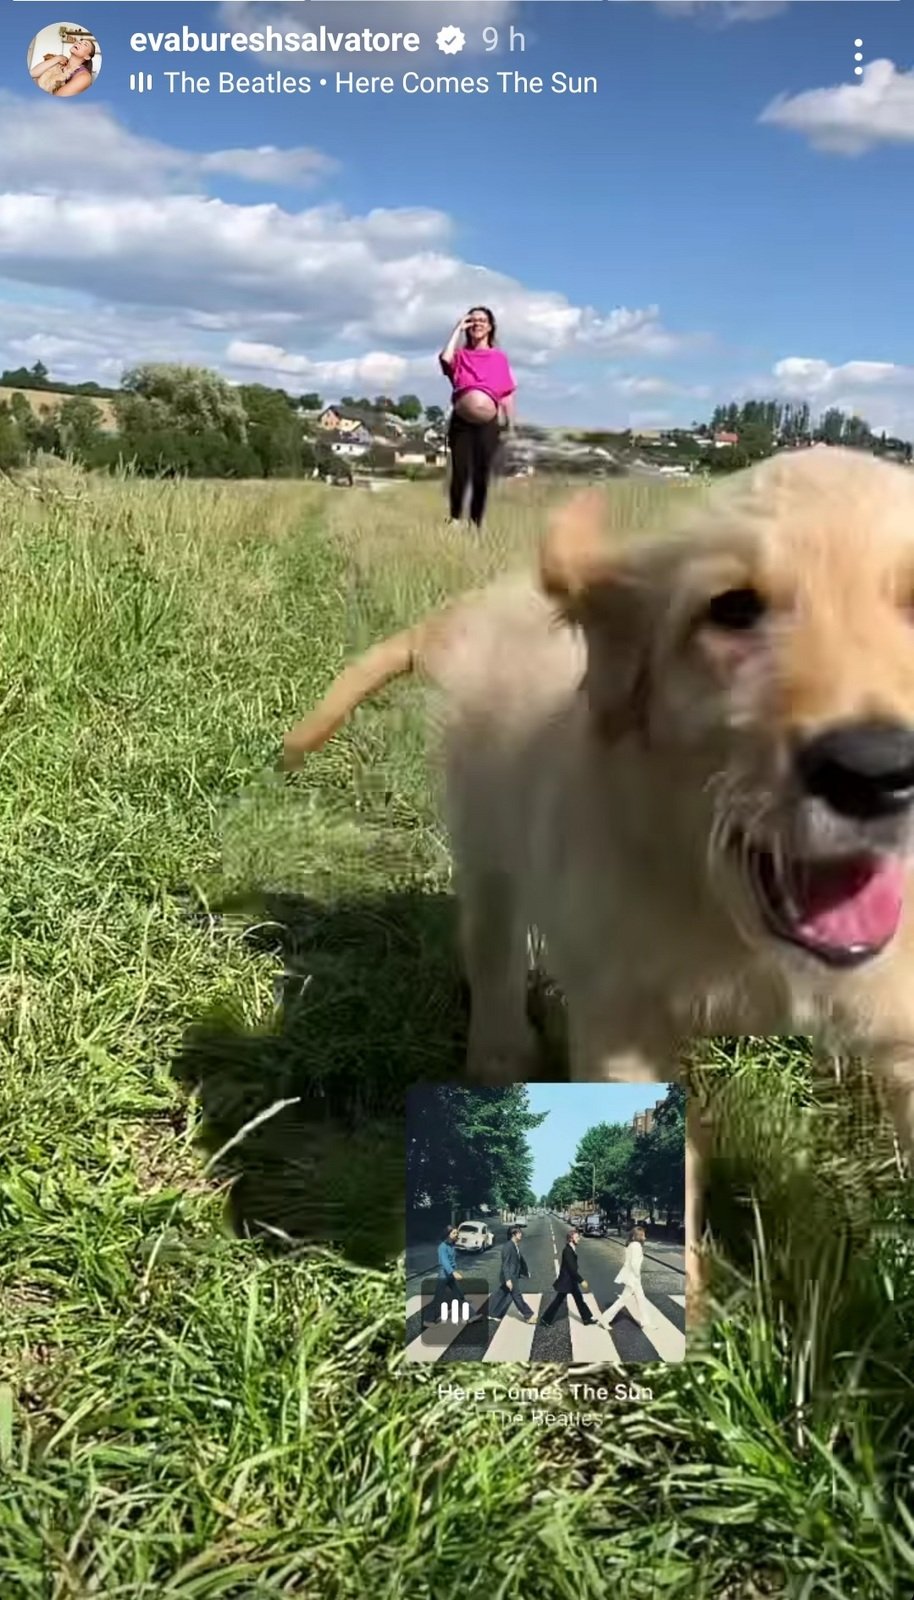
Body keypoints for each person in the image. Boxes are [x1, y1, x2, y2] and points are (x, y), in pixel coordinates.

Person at [438, 306, 517, 529]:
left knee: (481, 475)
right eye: (472, 321)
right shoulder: (460, 357)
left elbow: (507, 395)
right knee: (460, 471)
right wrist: (457, 328)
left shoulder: (499, 358)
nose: (477, 324)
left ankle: (475, 524)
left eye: (482, 320)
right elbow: (445, 358)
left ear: (490, 327)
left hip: (488, 425)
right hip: (462, 423)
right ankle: (455, 519)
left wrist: (511, 427)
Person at [424, 1226, 485, 1328]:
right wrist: (453, 1272)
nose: (456, 1235)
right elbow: (445, 1262)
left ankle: (471, 1316)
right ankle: (428, 1320)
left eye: (457, 1233)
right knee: (438, 1298)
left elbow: (451, 1260)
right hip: (444, 1274)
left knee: (460, 1295)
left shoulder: (452, 1245)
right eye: (454, 1233)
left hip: (450, 1274)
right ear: (447, 1234)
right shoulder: (442, 1247)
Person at [598, 1226, 656, 1331]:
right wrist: (637, 1276)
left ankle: (646, 1323)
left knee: (641, 1299)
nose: (645, 1237)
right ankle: (604, 1319)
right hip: (633, 1278)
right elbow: (634, 1264)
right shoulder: (636, 1246)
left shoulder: (631, 1245)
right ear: (638, 1236)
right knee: (622, 1301)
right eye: (643, 1235)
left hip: (632, 1277)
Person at [540, 1228, 596, 1326]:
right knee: (558, 1301)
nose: (579, 1239)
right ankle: (545, 1319)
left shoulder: (571, 1249)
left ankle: (586, 1318)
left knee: (579, 1299)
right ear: (571, 1239)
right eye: (577, 1237)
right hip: (566, 1281)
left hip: (571, 1281)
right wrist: (581, 1280)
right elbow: (571, 1269)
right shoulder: (567, 1251)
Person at [486, 1225, 533, 1322]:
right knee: (517, 1295)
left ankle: (492, 1313)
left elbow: (520, 1261)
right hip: (510, 1276)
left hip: (513, 1274)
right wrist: (508, 1279)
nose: (521, 1234)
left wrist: (525, 1272)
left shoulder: (514, 1245)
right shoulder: (508, 1247)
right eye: (519, 1232)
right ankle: (528, 1314)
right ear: (513, 1234)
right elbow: (506, 1264)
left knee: (501, 1294)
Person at [30, 34, 96, 97]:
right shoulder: (59, 62)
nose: (79, 42)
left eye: (85, 44)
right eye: (80, 41)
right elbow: (33, 73)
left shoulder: (84, 76)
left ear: (87, 57)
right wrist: (57, 58)